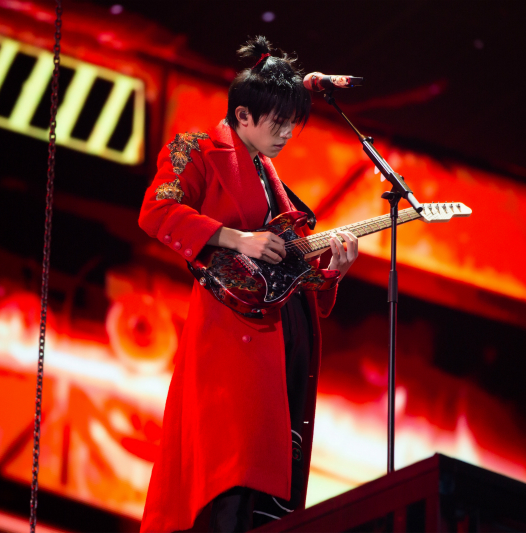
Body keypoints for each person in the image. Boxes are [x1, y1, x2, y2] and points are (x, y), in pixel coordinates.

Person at [137, 36, 359, 533]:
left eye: (293, 123)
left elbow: (286, 272)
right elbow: (156, 210)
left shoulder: (275, 183)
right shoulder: (196, 149)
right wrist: (236, 238)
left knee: (268, 495)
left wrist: (331, 273)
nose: (286, 134)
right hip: (231, 343)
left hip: (281, 344)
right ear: (242, 115)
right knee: (230, 480)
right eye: (277, 122)